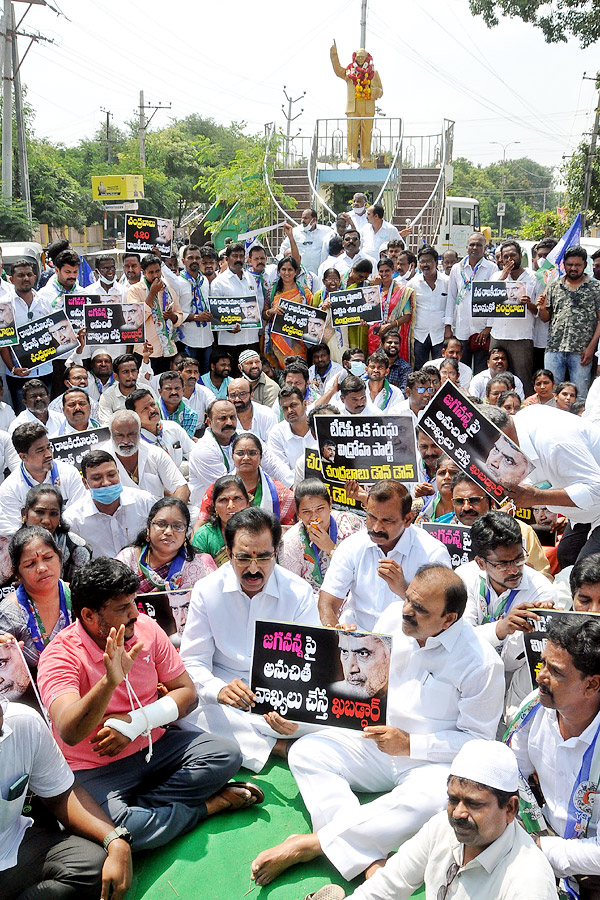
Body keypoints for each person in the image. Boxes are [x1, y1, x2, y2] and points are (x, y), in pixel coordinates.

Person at [250, 564, 504, 886]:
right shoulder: (393, 619)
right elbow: (362, 687)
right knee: (306, 753)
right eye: (408, 599)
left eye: (420, 609)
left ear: (448, 619)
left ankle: (316, 844)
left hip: (430, 764)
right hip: (374, 742)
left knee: (433, 801)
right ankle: (368, 860)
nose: (407, 612)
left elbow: (476, 742)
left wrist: (411, 744)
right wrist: (305, 708)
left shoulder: (481, 663)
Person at [37, 557, 260, 851]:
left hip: (154, 748)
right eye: (121, 608)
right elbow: (68, 730)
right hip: (94, 769)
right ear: (89, 615)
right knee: (127, 834)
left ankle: (143, 809)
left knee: (227, 755)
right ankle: (207, 807)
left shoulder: (146, 628)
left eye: (134, 602)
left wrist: (137, 723)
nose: (134, 614)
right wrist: (109, 682)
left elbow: (187, 693)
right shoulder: (59, 656)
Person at [326, 740, 557, 900]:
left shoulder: (529, 882)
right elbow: (386, 886)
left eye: (474, 804)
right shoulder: (440, 828)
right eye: (453, 799)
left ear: (510, 808)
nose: (458, 813)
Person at [181, 507, 319, 773]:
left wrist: (289, 703)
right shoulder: (207, 590)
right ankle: (279, 747)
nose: (253, 569)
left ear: (276, 553)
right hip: (228, 693)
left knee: (331, 719)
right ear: (228, 553)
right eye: (243, 558)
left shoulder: (299, 592)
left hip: (282, 694)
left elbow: (309, 665)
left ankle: (264, 738)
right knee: (186, 710)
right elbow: (193, 661)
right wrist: (217, 690)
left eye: (264, 557)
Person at [0, 699, 133, 900]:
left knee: (92, 866)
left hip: (9, 843)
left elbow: (62, 794)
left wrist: (115, 840)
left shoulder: (23, 722)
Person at [506, 616, 600, 898]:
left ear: (592, 685)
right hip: (538, 836)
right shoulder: (533, 709)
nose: (540, 676)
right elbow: (511, 775)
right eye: (543, 663)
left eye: (555, 671)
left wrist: (543, 850)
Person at [455, 511, 558, 716]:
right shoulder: (463, 578)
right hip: (465, 679)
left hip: (516, 687)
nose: (514, 570)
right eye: (502, 564)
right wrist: (501, 629)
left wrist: (532, 632)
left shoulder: (542, 591)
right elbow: (458, 641)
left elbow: (514, 663)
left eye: (519, 559)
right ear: (481, 563)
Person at [319, 480, 451, 630]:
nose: (376, 528)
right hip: (357, 636)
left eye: (387, 520)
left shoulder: (432, 553)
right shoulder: (352, 545)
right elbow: (328, 601)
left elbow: (441, 613)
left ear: (408, 519)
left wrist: (403, 589)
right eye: (372, 517)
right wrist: (335, 632)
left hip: (409, 642)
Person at [485, 404, 600, 569]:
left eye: (495, 449)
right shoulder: (518, 428)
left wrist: (537, 497)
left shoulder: (555, 442)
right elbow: (539, 475)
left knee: (587, 570)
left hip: (595, 501)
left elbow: (597, 489)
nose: (493, 458)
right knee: (567, 555)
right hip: (584, 514)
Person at [449, 471, 552, 580]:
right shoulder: (442, 532)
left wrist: (528, 573)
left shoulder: (522, 531)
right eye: (459, 501)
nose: (466, 507)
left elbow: (546, 580)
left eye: (474, 500)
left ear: (491, 501)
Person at [0, 526, 72, 669]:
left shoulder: (80, 596)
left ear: (59, 556)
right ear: (17, 573)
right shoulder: (9, 614)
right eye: (30, 564)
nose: (41, 568)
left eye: (48, 558)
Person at [0, 422, 86, 539]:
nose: (48, 454)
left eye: (49, 447)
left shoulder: (70, 473)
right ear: (23, 457)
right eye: (40, 450)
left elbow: (80, 516)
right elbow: (12, 533)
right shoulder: (9, 488)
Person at [63, 449, 155, 558]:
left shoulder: (144, 502)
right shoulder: (73, 519)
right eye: (97, 478)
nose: (106, 483)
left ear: (118, 474)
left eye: (111, 475)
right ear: (85, 483)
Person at [117, 497, 215, 598]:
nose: (168, 532)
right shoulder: (128, 559)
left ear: (185, 532)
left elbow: (214, 602)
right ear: (148, 528)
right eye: (161, 524)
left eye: (177, 526)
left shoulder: (201, 565)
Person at [278, 478, 363, 594]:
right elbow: (290, 590)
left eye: (320, 509)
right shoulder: (290, 543)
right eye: (306, 512)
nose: (314, 517)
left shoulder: (353, 526)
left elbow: (365, 572)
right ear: (298, 514)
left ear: (330, 504)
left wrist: (331, 549)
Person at [537, 245, 600, 399]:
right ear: (563, 265)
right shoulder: (554, 286)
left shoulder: (596, 288)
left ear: (585, 265)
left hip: (581, 350)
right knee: (552, 394)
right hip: (554, 348)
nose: (573, 268)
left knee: (579, 395)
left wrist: (591, 348)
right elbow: (545, 318)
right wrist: (541, 308)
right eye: (570, 264)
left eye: (578, 265)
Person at [196, 432, 296, 527]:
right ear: (232, 457)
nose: (246, 458)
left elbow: (292, 527)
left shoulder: (278, 491)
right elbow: (201, 523)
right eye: (240, 453)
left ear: (260, 457)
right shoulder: (217, 488)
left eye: (252, 453)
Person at [489, 240, 542, 396]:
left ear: (520, 256)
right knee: (495, 378)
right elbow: (487, 301)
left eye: (513, 255)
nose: (509, 259)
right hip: (498, 335)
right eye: (505, 256)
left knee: (522, 377)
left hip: (521, 337)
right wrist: (502, 278)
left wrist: (528, 303)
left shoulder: (534, 278)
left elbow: (539, 311)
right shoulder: (496, 276)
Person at [1, 259, 54, 412]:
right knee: (23, 413)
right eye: (21, 275)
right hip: (19, 374)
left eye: (29, 274)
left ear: (35, 277)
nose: (26, 278)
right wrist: (13, 369)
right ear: (11, 279)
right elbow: (4, 342)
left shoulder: (44, 302)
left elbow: (54, 333)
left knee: (44, 411)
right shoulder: (4, 304)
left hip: (45, 370)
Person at [107, 409, 189, 502]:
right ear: (111, 434)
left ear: (139, 431)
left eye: (131, 434)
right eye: (119, 435)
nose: (126, 441)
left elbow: (181, 487)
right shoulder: (101, 459)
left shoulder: (155, 453)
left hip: (158, 514)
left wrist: (173, 512)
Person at [445, 233, 497, 374]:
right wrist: (448, 326)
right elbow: (451, 297)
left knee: (481, 369)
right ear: (467, 246)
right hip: (462, 328)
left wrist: (489, 327)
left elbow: (495, 299)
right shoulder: (457, 268)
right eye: (472, 244)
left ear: (485, 248)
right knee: (461, 369)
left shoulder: (492, 268)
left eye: (479, 245)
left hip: (482, 329)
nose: (475, 247)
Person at [20, 484, 92, 582]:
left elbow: (80, 591)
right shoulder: (7, 547)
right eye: (40, 512)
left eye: (53, 514)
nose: (46, 521)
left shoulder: (77, 548)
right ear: (24, 514)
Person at [127, 254, 184, 374]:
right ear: (143, 272)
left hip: (168, 351)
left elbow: (179, 315)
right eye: (151, 272)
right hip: (146, 351)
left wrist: (172, 316)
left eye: (158, 271)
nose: (155, 275)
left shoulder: (168, 289)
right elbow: (135, 319)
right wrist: (152, 293)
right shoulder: (135, 290)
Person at [210, 242, 261, 366]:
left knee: (252, 375)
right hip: (230, 341)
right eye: (235, 256)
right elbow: (215, 314)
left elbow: (257, 306)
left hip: (251, 339)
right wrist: (228, 327)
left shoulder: (251, 279)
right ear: (227, 259)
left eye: (241, 256)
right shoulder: (218, 283)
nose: (238, 259)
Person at [167, 244, 213, 374]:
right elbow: (175, 311)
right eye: (190, 258)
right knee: (187, 374)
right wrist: (195, 317)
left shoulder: (204, 280)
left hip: (207, 338)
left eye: (197, 258)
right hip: (187, 338)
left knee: (205, 375)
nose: (194, 261)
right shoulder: (177, 282)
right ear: (183, 261)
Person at [263, 256, 313, 369]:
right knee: (281, 371)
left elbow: (313, 315)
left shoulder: (304, 293)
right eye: (283, 269)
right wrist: (272, 311)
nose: (286, 273)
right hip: (278, 340)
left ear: (296, 272)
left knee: (298, 369)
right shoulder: (272, 291)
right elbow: (264, 315)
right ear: (279, 271)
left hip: (299, 341)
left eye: (290, 269)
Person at [125, 387, 194, 469]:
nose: (152, 410)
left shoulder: (173, 427)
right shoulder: (135, 443)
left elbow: (194, 454)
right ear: (134, 416)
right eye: (145, 409)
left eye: (152, 404)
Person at [191, 474, 250, 567]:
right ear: (214, 506)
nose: (231, 506)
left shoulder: (258, 531)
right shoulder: (203, 536)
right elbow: (197, 572)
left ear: (247, 503)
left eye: (237, 498)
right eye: (223, 500)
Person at [407, 245, 449, 369]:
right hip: (420, 333)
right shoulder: (413, 283)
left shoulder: (447, 282)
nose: (425, 265)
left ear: (436, 262)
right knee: (420, 368)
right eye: (422, 262)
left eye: (429, 261)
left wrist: (449, 328)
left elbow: (452, 306)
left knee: (440, 367)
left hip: (441, 333)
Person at [266, 385, 316, 476]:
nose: (289, 411)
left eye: (293, 405)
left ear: (304, 405)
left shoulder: (319, 427)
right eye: (285, 408)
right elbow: (281, 470)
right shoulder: (277, 433)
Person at [97, 353, 155, 425]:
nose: (131, 376)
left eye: (133, 371)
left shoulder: (147, 390)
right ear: (116, 376)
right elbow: (106, 425)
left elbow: (157, 416)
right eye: (125, 372)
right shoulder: (107, 396)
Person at [279, 210, 331, 276]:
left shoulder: (326, 231)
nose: (302, 221)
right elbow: (284, 248)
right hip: (300, 275)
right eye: (302, 218)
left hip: (319, 274)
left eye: (305, 218)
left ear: (314, 220)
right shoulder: (295, 232)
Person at [227, 377, 277, 443]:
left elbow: (272, 446)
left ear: (251, 395)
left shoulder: (267, 415)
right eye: (233, 395)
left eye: (242, 394)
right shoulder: (224, 419)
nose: (237, 399)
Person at [415, 455, 460, 523]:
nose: (447, 477)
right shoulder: (429, 504)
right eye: (442, 473)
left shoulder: (468, 508)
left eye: (453, 473)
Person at [157, 370, 198, 438]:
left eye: (177, 388)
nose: (173, 392)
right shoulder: (151, 411)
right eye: (168, 389)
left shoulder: (191, 415)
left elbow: (185, 443)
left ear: (183, 390)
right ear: (160, 391)